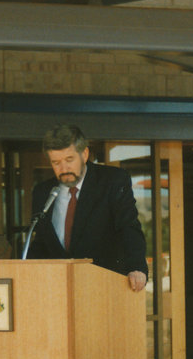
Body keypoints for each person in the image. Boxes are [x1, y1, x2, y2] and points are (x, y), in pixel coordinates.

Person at [26, 124, 149, 292]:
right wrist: (26, 273)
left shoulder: (111, 181)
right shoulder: (43, 192)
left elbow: (128, 227)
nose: (64, 169)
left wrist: (137, 267)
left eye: (69, 160)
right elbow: (41, 243)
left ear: (84, 154)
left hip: (103, 288)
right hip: (57, 291)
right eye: (56, 163)